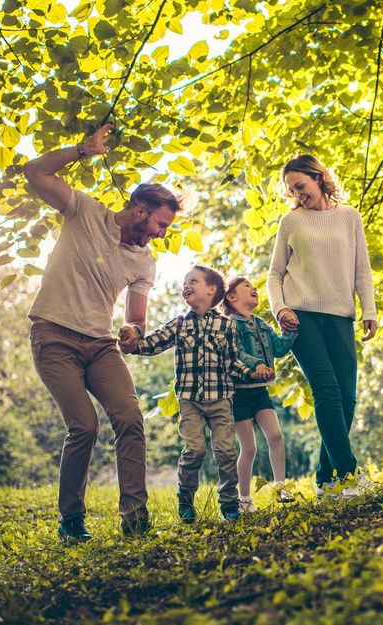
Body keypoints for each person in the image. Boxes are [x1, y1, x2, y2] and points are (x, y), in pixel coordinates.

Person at [24, 123, 182, 542]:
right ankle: (71, 521)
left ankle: (135, 517)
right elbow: (34, 172)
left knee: (130, 418)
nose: (162, 233)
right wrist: (83, 149)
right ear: (141, 210)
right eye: (162, 224)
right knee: (85, 426)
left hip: (100, 345)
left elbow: (136, 317)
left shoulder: (144, 261)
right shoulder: (84, 212)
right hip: (54, 336)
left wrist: (133, 331)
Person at [268, 154, 378, 499]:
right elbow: (274, 274)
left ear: (319, 178)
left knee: (347, 398)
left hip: (340, 316)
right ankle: (349, 476)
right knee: (327, 391)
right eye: (291, 190)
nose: (297, 194)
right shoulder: (291, 222)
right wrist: (279, 308)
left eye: (301, 186)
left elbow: (362, 269)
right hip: (300, 317)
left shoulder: (349, 217)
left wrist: (369, 310)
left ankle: (325, 480)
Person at [120, 266, 263, 522]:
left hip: (220, 399)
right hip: (190, 400)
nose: (186, 285)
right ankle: (185, 499)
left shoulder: (226, 325)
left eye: (193, 281)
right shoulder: (179, 323)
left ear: (211, 290)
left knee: (226, 452)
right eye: (185, 282)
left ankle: (229, 504)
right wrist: (132, 344)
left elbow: (232, 362)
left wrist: (251, 372)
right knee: (194, 450)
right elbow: (153, 343)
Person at [220, 275, 298, 513]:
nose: (254, 289)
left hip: (260, 393)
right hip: (239, 394)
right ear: (231, 297)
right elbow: (238, 354)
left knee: (275, 436)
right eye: (247, 287)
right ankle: (244, 499)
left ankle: (280, 487)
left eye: (254, 287)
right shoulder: (231, 326)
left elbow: (279, 348)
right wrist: (256, 366)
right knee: (249, 448)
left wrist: (291, 331)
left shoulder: (262, 324)